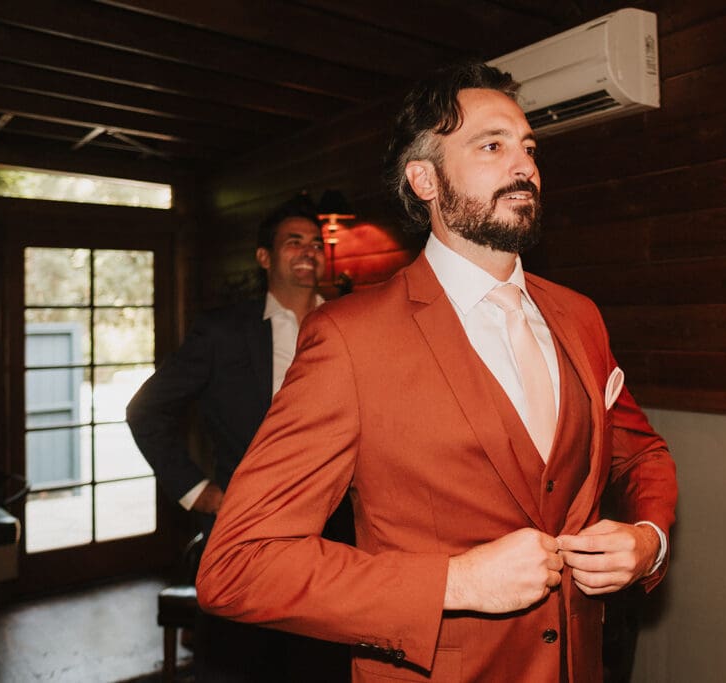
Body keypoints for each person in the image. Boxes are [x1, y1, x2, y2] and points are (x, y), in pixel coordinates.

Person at [196, 62, 677, 682]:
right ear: (424, 178)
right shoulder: (350, 339)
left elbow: (642, 456)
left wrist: (647, 542)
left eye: (528, 148)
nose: (524, 165)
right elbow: (239, 564)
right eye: (492, 145)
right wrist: (453, 582)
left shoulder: (579, 316)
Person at [127, 194, 352, 681]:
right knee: (238, 666)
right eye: (294, 241)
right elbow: (145, 410)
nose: (309, 251)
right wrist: (199, 493)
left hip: (336, 535)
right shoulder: (221, 332)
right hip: (244, 529)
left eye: (316, 242)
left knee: (324, 667)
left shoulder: (351, 325)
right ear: (264, 257)